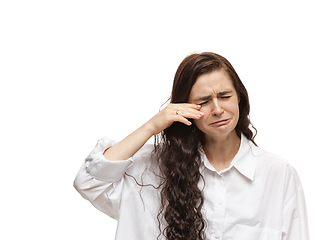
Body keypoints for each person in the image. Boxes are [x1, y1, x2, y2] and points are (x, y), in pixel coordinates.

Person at [74, 52, 309, 240]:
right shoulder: (150, 170)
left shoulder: (278, 174)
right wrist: (150, 127)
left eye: (225, 96)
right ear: (184, 108)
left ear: (240, 97)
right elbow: (90, 181)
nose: (217, 109)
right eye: (203, 102)